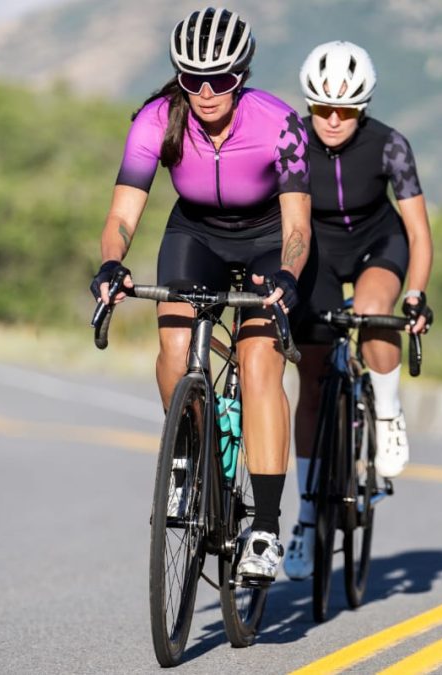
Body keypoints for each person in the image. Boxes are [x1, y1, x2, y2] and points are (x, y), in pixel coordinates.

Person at [90, 7, 312, 582]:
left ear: (243, 73)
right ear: (179, 77)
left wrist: (288, 274)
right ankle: (188, 460)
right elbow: (123, 210)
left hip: (267, 239)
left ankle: (263, 527)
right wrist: (112, 263)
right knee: (172, 347)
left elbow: (296, 228)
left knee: (259, 362)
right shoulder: (156, 120)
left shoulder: (279, 123)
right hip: (196, 234)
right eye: (193, 79)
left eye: (221, 79)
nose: (207, 92)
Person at [283, 41, 434, 580]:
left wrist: (414, 293)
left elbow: (417, 231)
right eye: (321, 108)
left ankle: (389, 415)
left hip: (378, 243)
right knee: (314, 376)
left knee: (372, 312)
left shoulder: (391, 145)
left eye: (344, 110)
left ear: (362, 106)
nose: (331, 119)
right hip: (318, 250)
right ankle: (304, 518)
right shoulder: (292, 138)